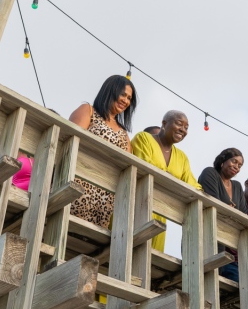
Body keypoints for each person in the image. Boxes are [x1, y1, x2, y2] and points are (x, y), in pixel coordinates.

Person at [68, 75, 137, 228]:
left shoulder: (123, 133)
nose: (126, 101)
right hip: (79, 182)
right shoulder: (88, 110)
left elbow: (126, 164)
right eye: (123, 94)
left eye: (129, 98)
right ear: (110, 91)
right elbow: (70, 141)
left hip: (104, 196)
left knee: (89, 243)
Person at [131, 111, 201, 252]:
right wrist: (171, 179)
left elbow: (193, 186)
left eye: (186, 127)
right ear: (164, 123)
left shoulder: (182, 157)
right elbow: (144, 165)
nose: (183, 129)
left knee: (150, 260)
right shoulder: (144, 138)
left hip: (160, 213)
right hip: (136, 203)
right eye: (179, 124)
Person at [199, 148, 247, 281]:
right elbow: (212, 202)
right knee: (201, 276)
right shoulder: (210, 173)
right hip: (203, 234)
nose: (236, 167)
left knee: (215, 280)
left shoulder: (237, 186)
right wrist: (230, 212)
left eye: (240, 165)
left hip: (223, 240)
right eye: (234, 161)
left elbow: (244, 215)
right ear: (223, 161)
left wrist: (227, 210)